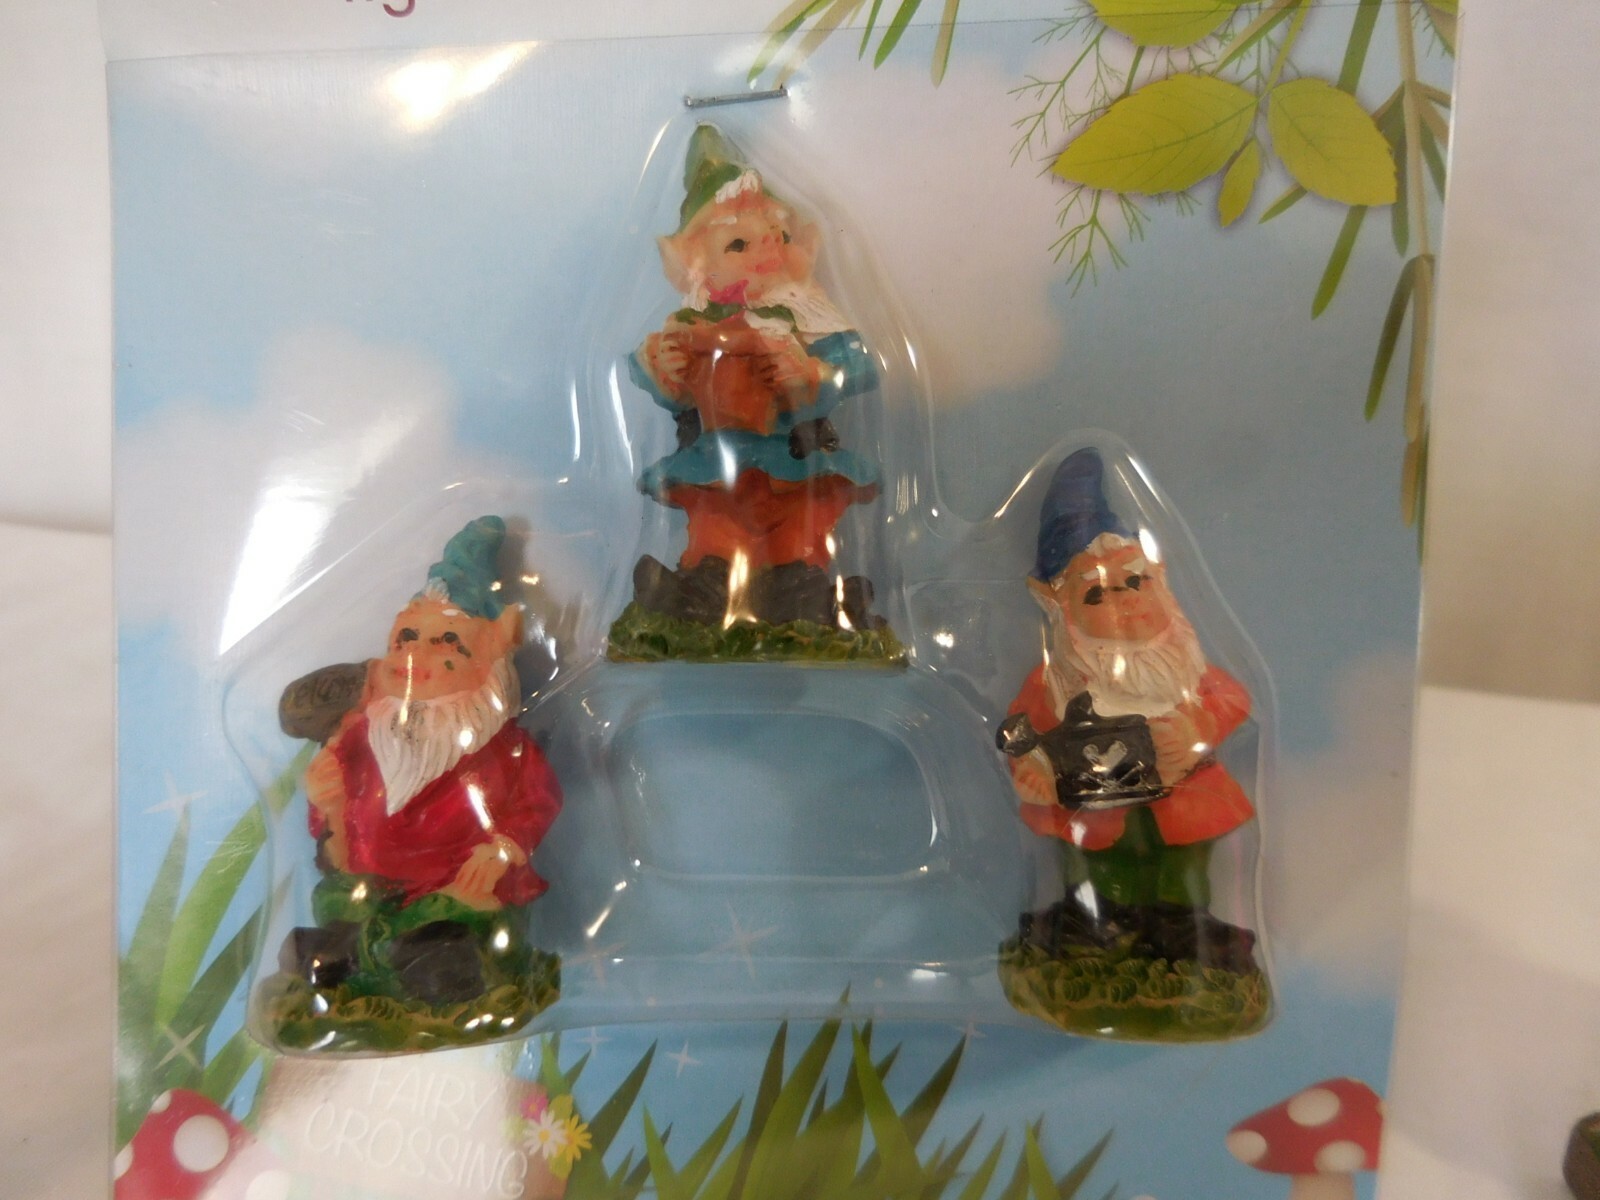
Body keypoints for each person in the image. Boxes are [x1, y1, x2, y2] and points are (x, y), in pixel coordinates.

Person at [276, 517, 562, 1014]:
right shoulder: (362, 737)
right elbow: (332, 828)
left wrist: (503, 849)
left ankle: (436, 961)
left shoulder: (504, 748)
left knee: (451, 930)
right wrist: (327, 802)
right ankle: (352, 953)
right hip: (372, 885)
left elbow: (539, 800)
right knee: (345, 912)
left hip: (458, 889)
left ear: (494, 648)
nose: (414, 656)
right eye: (406, 638)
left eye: (445, 642)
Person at [624, 124, 884, 632]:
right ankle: (706, 589)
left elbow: (860, 367)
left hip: (794, 455)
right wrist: (661, 368)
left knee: (797, 529)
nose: (768, 253)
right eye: (739, 244)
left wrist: (813, 375)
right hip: (717, 459)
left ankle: (803, 591)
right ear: (696, 264)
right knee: (718, 526)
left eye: (779, 238)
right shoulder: (693, 325)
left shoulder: (809, 320)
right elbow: (664, 386)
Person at [1003, 449, 1253, 933]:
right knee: (1090, 861)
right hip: (1092, 809)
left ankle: (1180, 920)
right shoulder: (1055, 682)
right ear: (1058, 604)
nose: (1124, 601)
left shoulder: (1185, 668)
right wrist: (1035, 771)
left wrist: (1196, 728)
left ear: (1159, 577)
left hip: (1183, 797)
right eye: (1096, 593)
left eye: (1135, 581)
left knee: (1182, 866)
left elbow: (1232, 700)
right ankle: (1099, 919)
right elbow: (1023, 734)